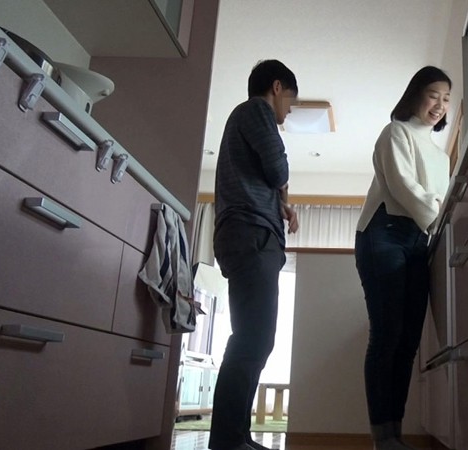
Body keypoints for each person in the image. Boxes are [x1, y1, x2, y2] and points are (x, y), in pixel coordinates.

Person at [354, 66, 452, 450]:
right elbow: (403, 186)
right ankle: (382, 437)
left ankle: (394, 433)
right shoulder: (395, 132)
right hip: (384, 233)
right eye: (433, 95)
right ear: (416, 95)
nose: (440, 105)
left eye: (446, 99)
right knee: (387, 333)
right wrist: (439, 215)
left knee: (409, 340)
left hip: (417, 240)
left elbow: (436, 204)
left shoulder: (441, 156)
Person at [209, 59, 300, 450]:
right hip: (250, 234)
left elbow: (267, 176)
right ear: (277, 87)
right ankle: (229, 440)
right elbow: (277, 168)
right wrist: (283, 189)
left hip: (245, 233)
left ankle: (234, 436)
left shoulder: (244, 118)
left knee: (253, 337)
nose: (288, 111)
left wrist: (282, 204)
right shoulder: (257, 110)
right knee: (254, 338)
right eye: (290, 100)